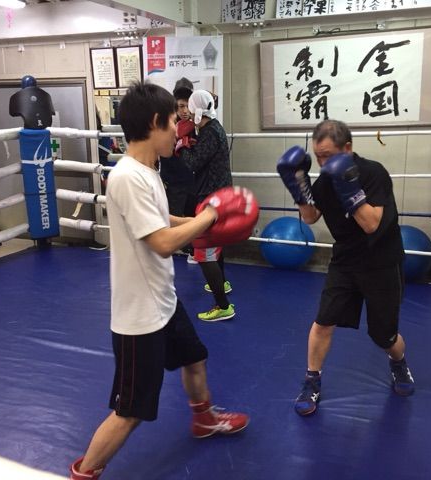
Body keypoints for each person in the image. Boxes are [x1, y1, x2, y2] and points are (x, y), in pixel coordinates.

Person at [69, 82, 249, 480]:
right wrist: (210, 216)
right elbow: (163, 243)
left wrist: (198, 221)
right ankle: (84, 472)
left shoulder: (148, 171)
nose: (178, 130)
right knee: (130, 412)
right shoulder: (127, 177)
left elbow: (160, 219)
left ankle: (204, 419)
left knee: (194, 358)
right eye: (172, 122)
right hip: (140, 318)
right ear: (155, 123)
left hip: (163, 301)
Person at [277, 119, 415, 417]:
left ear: (348, 148)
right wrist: (299, 187)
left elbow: (371, 224)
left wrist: (348, 188)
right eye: (318, 157)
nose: (322, 163)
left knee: (384, 336)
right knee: (323, 322)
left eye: (328, 156)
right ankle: (311, 381)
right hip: (345, 262)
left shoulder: (374, 173)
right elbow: (311, 217)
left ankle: (398, 362)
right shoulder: (326, 181)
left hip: (381, 262)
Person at [177, 89, 234, 322]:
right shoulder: (211, 129)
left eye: (189, 108)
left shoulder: (210, 132)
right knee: (214, 245)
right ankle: (222, 283)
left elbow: (192, 163)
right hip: (217, 194)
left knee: (204, 251)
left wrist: (181, 145)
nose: (188, 114)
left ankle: (223, 306)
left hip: (213, 198)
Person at [159, 78, 197, 262]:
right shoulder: (167, 123)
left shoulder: (199, 124)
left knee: (192, 214)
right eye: (181, 106)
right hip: (172, 179)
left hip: (192, 179)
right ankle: (172, 248)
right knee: (172, 215)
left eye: (188, 106)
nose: (185, 111)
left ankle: (192, 250)